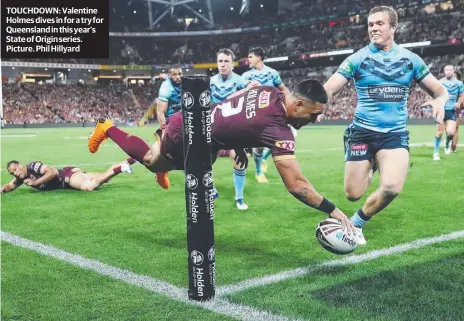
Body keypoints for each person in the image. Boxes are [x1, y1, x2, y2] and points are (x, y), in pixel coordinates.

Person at [88, 80, 356, 233]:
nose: (314, 120)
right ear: (297, 104)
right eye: (312, 114)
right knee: (150, 159)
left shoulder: (268, 91)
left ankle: (166, 166)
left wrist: (239, 136)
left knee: (205, 161)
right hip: (189, 133)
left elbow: (244, 92)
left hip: (200, 122)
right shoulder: (278, 129)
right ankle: (107, 127)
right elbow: (297, 186)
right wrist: (335, 211)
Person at [323, 6, 448, 245]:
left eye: (379, 24)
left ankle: (357, 224)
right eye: (370, 25)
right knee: (353, 194)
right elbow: (330, 88)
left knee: (391, 187)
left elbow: (439, 89)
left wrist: (440, 100)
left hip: (394, 134)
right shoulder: (357, 59)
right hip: (361, 132)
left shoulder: (411, 60)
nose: (374, 28)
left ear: (393, 27)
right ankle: (370, 165)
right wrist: (318, 104)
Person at [211, 48, 259, 210]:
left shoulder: (239, 81)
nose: (223, 65)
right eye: (220, 61)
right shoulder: (210, 82)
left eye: (226, 61)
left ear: (232, 64)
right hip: (212, 128)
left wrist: (252, 86)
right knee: (205, 161)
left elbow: (252, 90)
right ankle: (210, 188)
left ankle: (239, 198)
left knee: (239, 160)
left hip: (232, 129)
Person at [242, 47, 291, 182]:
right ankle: (259, 172)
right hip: (255, 114)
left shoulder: (272, 73)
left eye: (250, 57)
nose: (248, 60)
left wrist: (291, 101)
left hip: (273, 112)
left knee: (284, 138)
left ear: (259, 58)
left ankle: (263, 158)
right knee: (258, 144)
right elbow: (239, 91)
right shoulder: (246, 76)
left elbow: (283, 89)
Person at [1, 159, 133, 193]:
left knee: (89, 187)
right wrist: (2, 189)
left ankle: (121, 167)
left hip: (66, 176)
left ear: (20, 165)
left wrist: (36, 182)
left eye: (15, 169)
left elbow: (53, 172)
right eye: (12, 173)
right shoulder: (21, 178)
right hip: (69, 178)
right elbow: (10, 185)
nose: (15, 173)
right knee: (105, 177)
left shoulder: (32, 166)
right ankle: (129, 161)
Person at [432, 65, 464, 159]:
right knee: (439, 132)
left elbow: (462, 95)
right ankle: (436, 153)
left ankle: (447, 144)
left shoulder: (459, 83)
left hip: (452, 111)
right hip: (441, 110)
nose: (448, 71)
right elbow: (434, 94)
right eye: (447, 70)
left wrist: (459, 102)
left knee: (450, 132)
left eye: (450, 70)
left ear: (453, 71)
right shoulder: (440, 82)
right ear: (444, 71)